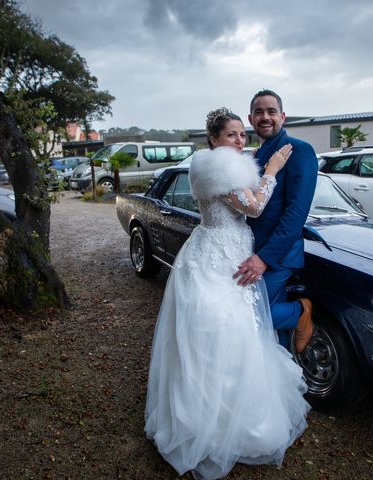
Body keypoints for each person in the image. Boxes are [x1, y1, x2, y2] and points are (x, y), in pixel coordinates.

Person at [144, 108, 310, 480]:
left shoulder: (211, 163)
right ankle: (217, 423)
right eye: (232, 135)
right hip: (220, 258)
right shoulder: (218, 168)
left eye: (242, 135)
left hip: (217, 250)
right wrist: (271, 171)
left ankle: (216, 416)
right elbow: (253, 207)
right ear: (214, 139)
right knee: (222, 332)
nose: (240, 141)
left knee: (221, 333)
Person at [234, 89, 319, 353]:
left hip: (277, 255)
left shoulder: (300, 151)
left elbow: (296, 212)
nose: (265, 117)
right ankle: (284, 377)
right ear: (251, 118)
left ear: (283, 116)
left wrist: (265, 258)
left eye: (271, 111)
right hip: (249, 250)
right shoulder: (254, 157)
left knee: (252, 315)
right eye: (259, 112)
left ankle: (300, 312)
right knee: (271, 333)